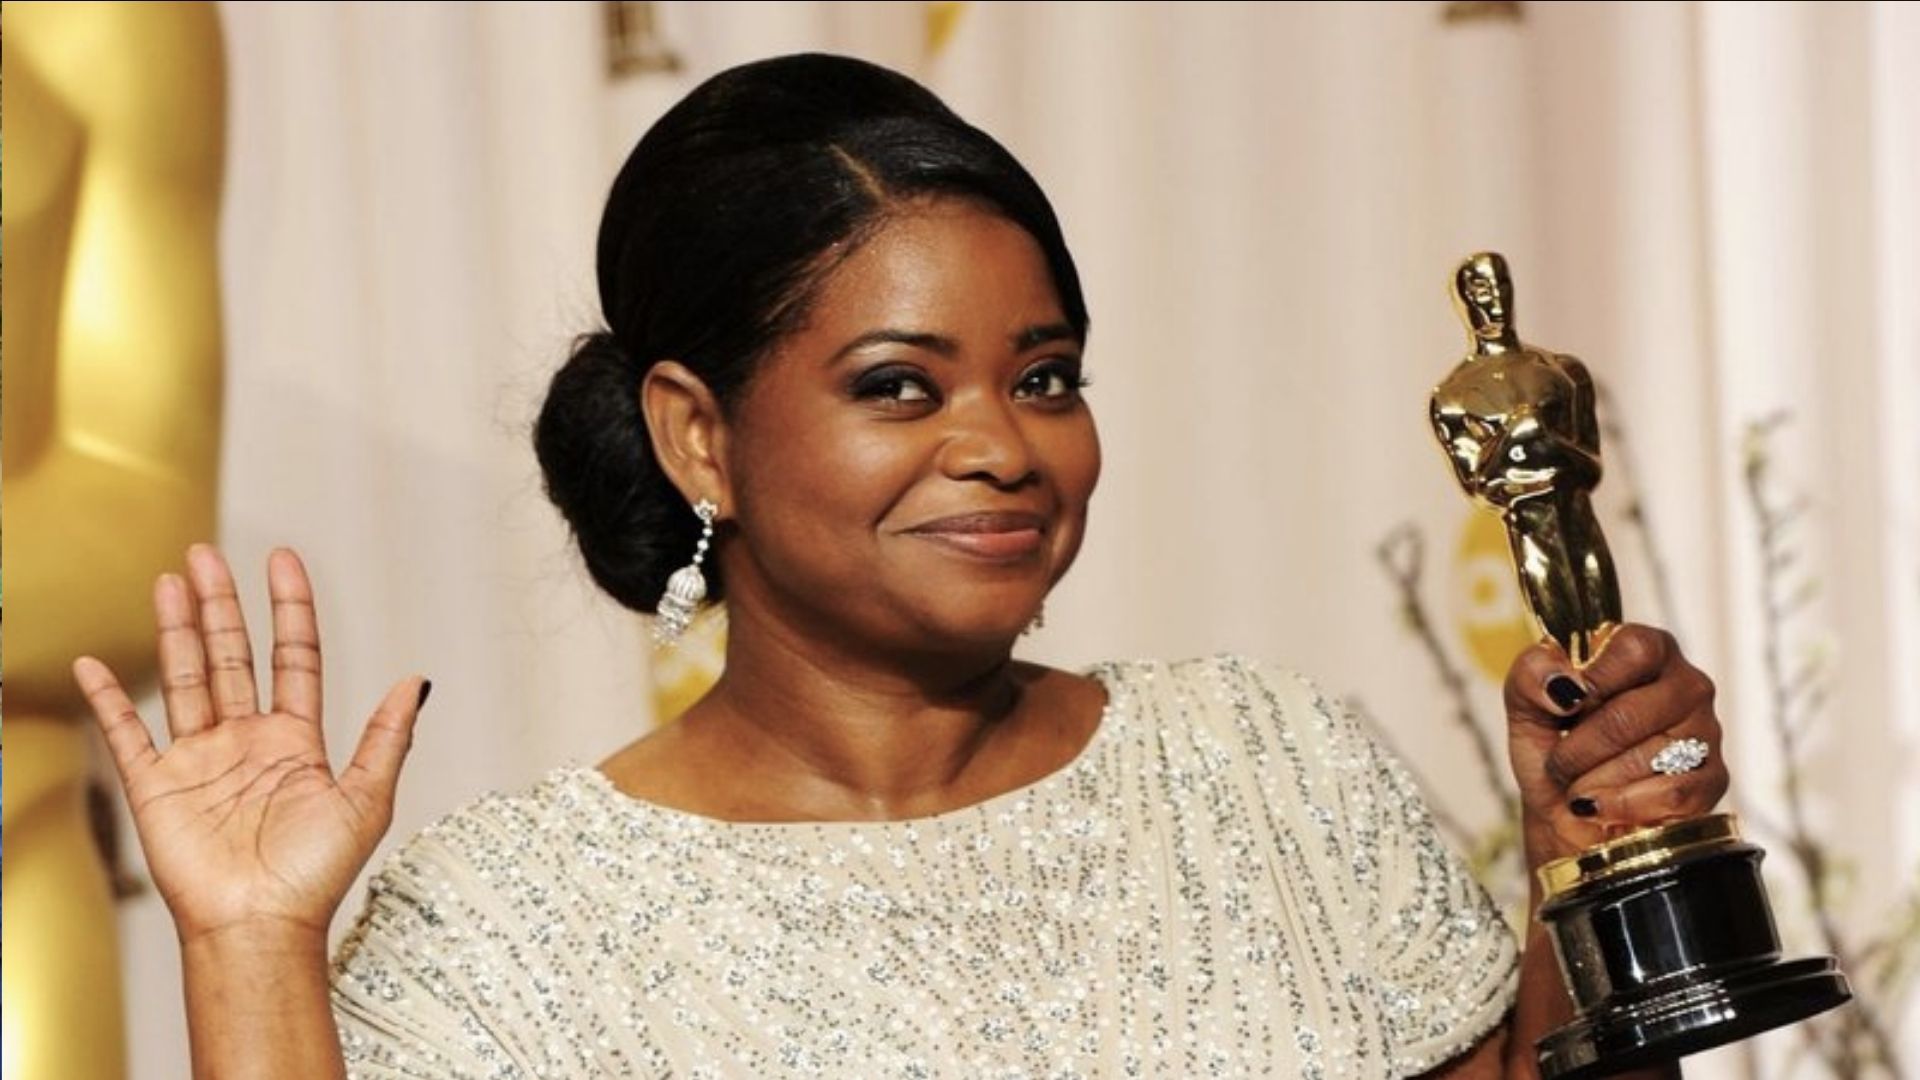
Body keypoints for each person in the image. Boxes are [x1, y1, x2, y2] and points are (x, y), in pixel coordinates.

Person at [73, 54, 1728, 1078]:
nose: (1005, 444)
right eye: (899, 387)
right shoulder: (509, 923)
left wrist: (1592, 876)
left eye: (1047, 376)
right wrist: (249, 947)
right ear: (699, 436)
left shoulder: (1269, 762)